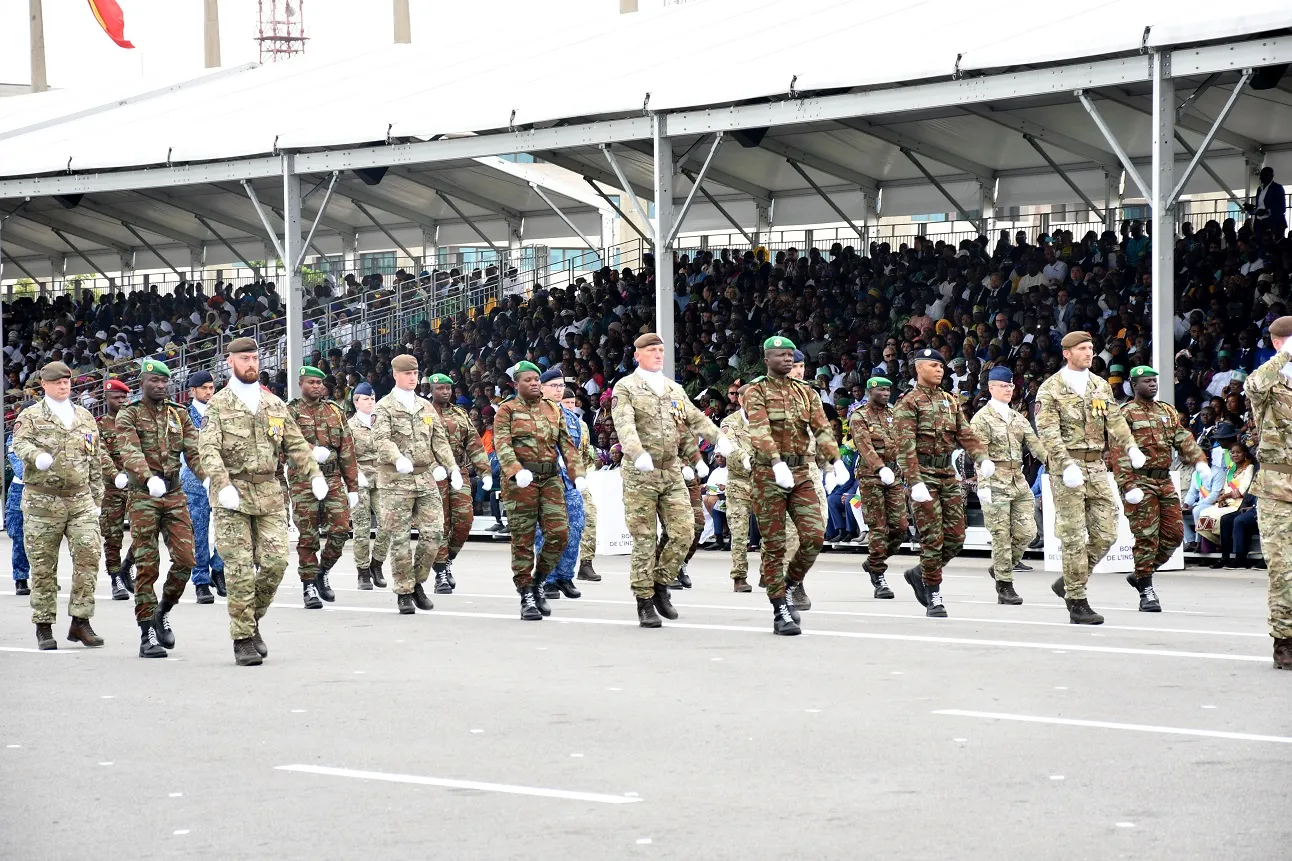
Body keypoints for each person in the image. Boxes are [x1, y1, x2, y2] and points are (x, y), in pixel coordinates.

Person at [198, 338, 326, 666]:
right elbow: (208, 449)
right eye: (244, 358)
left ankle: (251, 619)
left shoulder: (274, 405)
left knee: (276, 563)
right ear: (230, 362)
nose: (251, 363)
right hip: (232, 496)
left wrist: (314, 474)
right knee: (239, 568)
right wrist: (220, 481)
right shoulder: (218, 404)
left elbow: (296, 444)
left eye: (254, 357)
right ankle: (242, 637)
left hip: (269, 493)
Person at [738, 336, 847, 635]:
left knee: (814, 536)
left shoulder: (805, 392)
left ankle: (789, 583)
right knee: (774, 546)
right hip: (768, 474)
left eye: (791, 355)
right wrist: (775, 462)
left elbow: (822, 428)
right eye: (781, 355)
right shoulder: (756, 391)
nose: (788, 360)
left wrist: (836, 461)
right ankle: (780, 609)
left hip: (801, 472)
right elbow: (759, 430)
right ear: (767, 359)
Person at [1035, 331, 1144, 625]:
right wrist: (1065, 463)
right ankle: (1077, 599)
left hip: (1096, 467)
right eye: (1083, 348)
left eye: (1091, 348)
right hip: (1066, 468)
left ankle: (1071, 579)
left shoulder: (1099, 386)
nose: (1089, 353)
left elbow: (1115, 420)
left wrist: (1131, 446)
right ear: (1067, 353)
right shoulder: (1051, 389)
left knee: (1107, 533)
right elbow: (1047, 431)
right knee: (1072, 536)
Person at [613, 333, 718, 627]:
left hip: (671, 471)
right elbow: (624, 425)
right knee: (644, 539)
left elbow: (694, 421)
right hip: (640, 474)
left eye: (661, 350)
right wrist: (636, 453)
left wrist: (719, 439)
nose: (658, 355)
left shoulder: (674, 389)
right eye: (652, 351)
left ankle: (661, 583)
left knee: (685, 530)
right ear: (638, 355)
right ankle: (644, 600)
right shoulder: (627, 387)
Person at [12, 361, 108, 650]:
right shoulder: (31, 416)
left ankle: (81, 621)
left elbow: (95, 459)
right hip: (43, 500)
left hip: (80, 499)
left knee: (89, 556)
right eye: (57, 382)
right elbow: (19, 444)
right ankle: (43, 625)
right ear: (45, 385)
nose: (64, 385)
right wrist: (34, 455)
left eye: (67, 381)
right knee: (43, 565)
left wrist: (98, 498)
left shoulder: (84, 417)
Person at [115, 358, 205, 658]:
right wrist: (146, 477)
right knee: (148, 565)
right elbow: (129, 451)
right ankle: (146, 632)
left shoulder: (179, 415)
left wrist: (208, 478)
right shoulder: (129, 414)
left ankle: (162, 610)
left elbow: (194, 452)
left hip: (175, 492)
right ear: (143, 383)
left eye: (165, 381)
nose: (161, 385)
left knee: (186, 560)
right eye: (154, 381)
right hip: (144, 495)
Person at [894, 348, 990, 618]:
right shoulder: (908, 402)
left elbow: (966, 433)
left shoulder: (950, 400)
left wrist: (982, 457)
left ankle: (919, 572)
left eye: (941, 366)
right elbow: (905, 445)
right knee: (932, 537)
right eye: (934, 365)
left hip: (947, 474)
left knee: (957, 537)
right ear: (919, 368)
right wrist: (914, 481)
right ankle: (933, 593)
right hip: (922, 474)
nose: (940, 370)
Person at [1109, 366, 1210, 611]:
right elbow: (1119, 450)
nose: (1153, 385)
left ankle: (1142, 573)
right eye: (1147, 381)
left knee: (1175, 534)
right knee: (1146, 536)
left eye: (1154, 381)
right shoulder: (1126, 413)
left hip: (1164, 480)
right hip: (1139, 480)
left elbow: (1182, 437)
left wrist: (1199, 459)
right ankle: (1147, 591)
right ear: (1134, 385)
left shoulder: (1166, 410)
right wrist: (1128, 484)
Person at [494, 361, 584, 620]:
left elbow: (567, 444)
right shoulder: (507, 410)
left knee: (559, 534)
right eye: (528, 380)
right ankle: (526, 595)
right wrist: (515, 469)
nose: (534, 383)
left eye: (536, 379)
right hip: (521, 481)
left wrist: (577, 474)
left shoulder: (553, 410)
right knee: (522, 540)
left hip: (550, 478)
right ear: (516, 384)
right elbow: (502, 444)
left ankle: (539, 579)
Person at [372, 354, 459, 615]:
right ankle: (404, 592)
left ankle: (417, 582)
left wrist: (452, 467)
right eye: (408, 373)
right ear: (396, 375)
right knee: (399, 539)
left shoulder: (426, 407)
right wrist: (396, 458)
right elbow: (381, 439)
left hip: (424, 477)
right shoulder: (384, 407)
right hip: (395, 480)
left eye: (415, 373)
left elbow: (439, 441)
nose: (412, 378)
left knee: (434, 534)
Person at [969, 366, 1049, 604]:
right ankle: (1005, 585)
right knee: (1001, 536)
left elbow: (1035, 445)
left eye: (1011, 386)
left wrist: (1057, 464)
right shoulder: (982, 418)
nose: (1008, 390)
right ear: (991, 387)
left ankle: (1001, 567)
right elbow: (978, 453)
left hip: (1018, 480)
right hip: (994, 481)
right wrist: (983, 484)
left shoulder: (1017, 417)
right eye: (1003, 386)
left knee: (1028, 532)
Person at [287, 365, 361, 609]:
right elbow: (284, 443)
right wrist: (309, 451)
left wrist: (352, 487)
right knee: (307, 536)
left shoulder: (335, 412)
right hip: (303, 481)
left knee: (340, 529)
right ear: (301, 385)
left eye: (319, 383)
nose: (316, 387)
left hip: (332, 478)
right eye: (311, 383)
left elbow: (347, 449)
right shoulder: (291, 412)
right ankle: (308, 584)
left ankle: (323, 570)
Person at [1245, 314, 1292, 668]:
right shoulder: (1270, 383)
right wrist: (1283, 356)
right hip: (1278, 489)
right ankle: (1284, 641)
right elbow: (1253, 385)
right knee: (1283, 569)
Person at [429, 372, 491, 594]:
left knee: (464, 521)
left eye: (448, 388)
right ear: (432, 390)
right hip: (432, 474)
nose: (445, 392)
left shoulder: (460, 414)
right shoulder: (423, 413)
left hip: (459, 472)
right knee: (440, 524)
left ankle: (447, 560)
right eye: (440, 389)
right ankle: (440, 574)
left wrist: (485, 472)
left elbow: (474, 444)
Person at [535, 375, 588, 600]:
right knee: (545, 532)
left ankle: (565, 576)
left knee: (576, 527)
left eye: (561, 386)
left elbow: (574, 451)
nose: (559, 390)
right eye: (554, 386)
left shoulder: (571, 419)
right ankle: (547, 579)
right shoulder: (532, 415)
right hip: (544, 481)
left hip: (568, 481)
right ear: (542, 388)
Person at [850, 376, 904, 599]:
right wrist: (881, 468)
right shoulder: (859, 416)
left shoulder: (893, 414)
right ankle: (879, 576)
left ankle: (873, 560)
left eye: (888, 390)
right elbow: (865, 447)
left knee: (900, 527)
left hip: (895, 475)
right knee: (878, 527)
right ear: (870, 391)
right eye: (881, 390)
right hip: (872, 476)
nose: (886, 393)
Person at [181, 370, 224, 604]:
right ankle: (200, 581)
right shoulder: (184, 416)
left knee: (226, 528)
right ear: (193, 391)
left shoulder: (220, 412)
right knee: (199, 534)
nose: (209, 392)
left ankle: (218, 568)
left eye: (211, 388)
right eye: (204, 388)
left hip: (220, 480)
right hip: (194, 482)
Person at [348, 382, 390, 590]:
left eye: (372, 398)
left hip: (382, 476)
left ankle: (377, 564)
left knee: (388, 524)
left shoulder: (382, 422)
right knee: (362, 527)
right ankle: (363, 571)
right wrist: (355, 474)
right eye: (366, 399)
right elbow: (346, 455)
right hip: (360, 477)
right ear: (356, 402)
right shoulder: (350, 426)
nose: (370, 402)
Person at [98, 378, 135, 600]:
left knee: (144, 531)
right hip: (112, 488)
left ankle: (127, 564)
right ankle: (115, 579)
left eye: (123, 397)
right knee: (113, 535)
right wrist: (115, 475)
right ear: (107, 399)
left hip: (136, 485)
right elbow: (100, 454)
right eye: (116, 397)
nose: (121, 401)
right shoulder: (100, 425)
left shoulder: (133, 422)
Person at [717, 385, 755, 592]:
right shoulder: (729, 423)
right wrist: (744, 458)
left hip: (763, 481)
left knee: (771, 530)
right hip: (739, 481)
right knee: (739, 532)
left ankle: (770, 572)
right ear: (740, 400)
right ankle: (739, 576)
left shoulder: (766, 420)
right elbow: (729, 445)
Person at [1198, 442, 1257, 568]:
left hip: (1238, 504)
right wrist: (1222, 497)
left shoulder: (1249, 468)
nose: (1235, 455)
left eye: (1238, 452)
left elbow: (1242, 490)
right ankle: (1221, 553)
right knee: (1204, 513)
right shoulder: (1231, 469)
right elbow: (1225, 488)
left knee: (1222, 518)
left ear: (1245, 454)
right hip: (1227, 503)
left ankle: (1223, 550)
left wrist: (1226, 496)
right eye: (1233, 452)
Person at [6, 426, 30, 596]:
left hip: (44, 491)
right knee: (19, 537)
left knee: (47, 537)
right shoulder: (14, 437)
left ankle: (46, 577)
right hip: (20, 490)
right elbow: (19, 467)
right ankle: (20, 579)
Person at [1247, 166, 1286, 240]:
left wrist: (1266, 211)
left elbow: (1282, 209)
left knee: (1272, 247)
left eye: (1264, 175)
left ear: (1271, 176)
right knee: (1260, 246)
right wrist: (1251, 209)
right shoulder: (1259, 189)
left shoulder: (1277, 188)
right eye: (1261, 175)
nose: (1261, 177)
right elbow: (1260, 207)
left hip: (1273, 223)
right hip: (1260, 223)